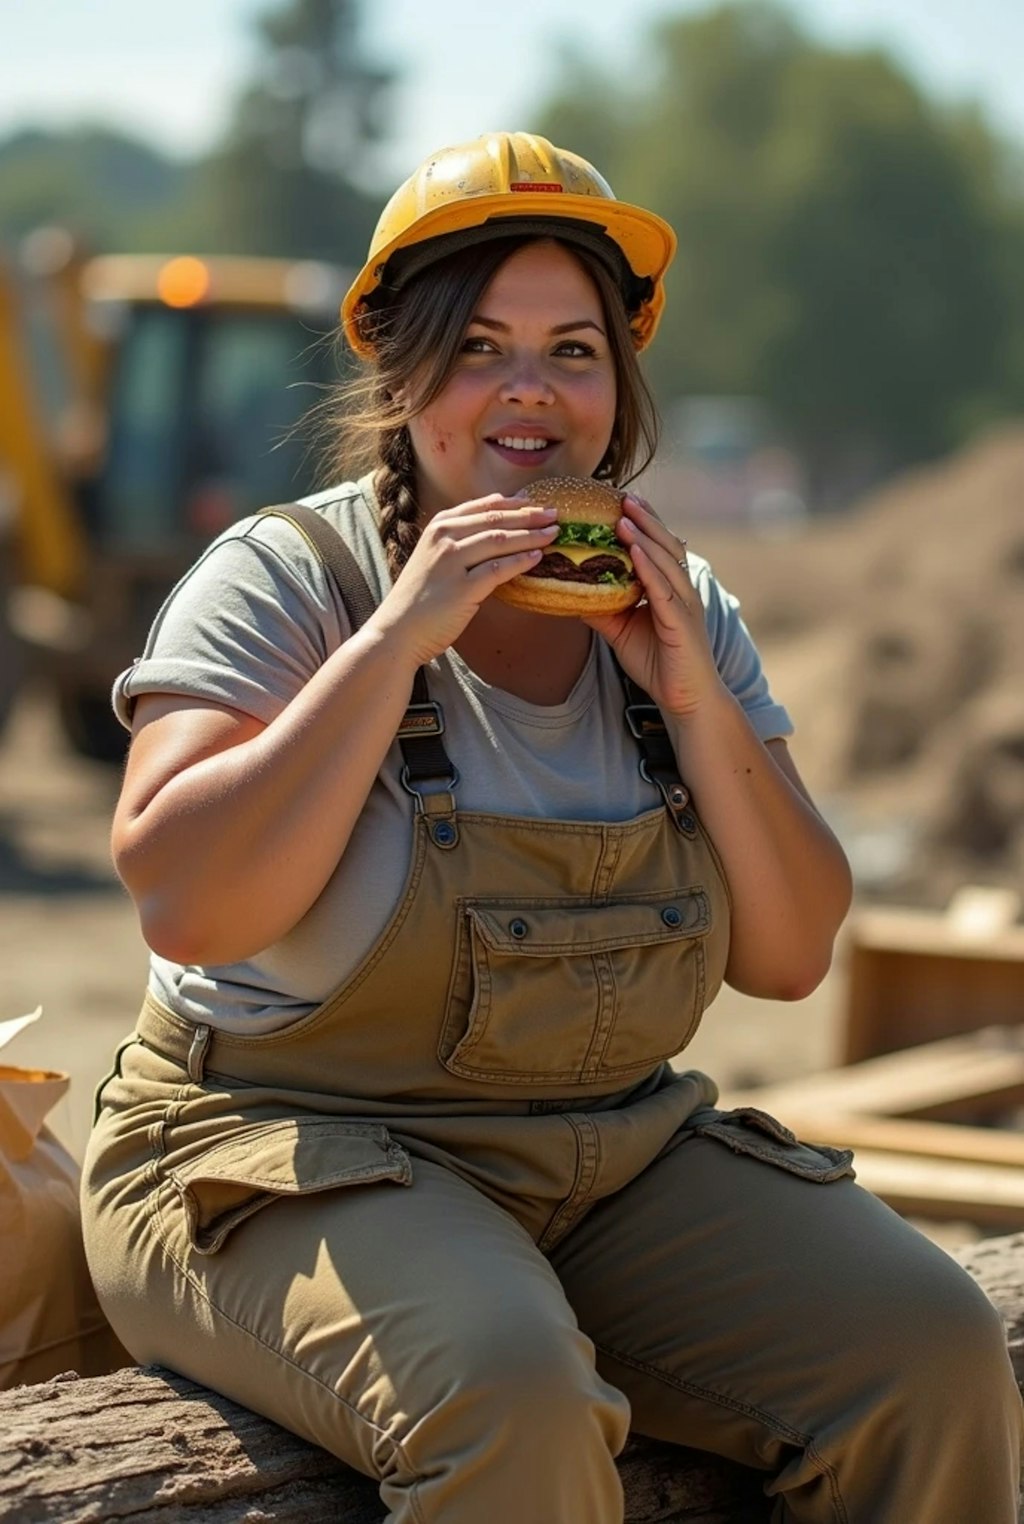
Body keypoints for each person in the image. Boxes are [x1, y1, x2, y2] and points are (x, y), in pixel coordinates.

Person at [81, 132, 1021, 1524]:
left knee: (933, 1352)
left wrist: (696, 699)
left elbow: (792, 954)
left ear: (619, 388)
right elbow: (187, 903)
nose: (530, 391)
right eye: (480, 347)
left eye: (574, 350)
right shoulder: (291, 579)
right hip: (269, 1152)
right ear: (402, 377)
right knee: (509, 1399)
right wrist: (399, 638)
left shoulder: (676, 608)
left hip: (610, 1154)